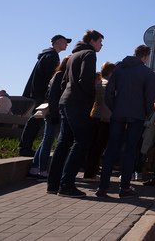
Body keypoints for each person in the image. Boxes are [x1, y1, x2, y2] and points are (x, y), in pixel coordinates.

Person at [47, 30, 103, 198]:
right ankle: (66, 186)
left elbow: (65, 81)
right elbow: (85, 80)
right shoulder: (89, 54)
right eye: (100, 41)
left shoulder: (72, 56)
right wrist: (91, 98)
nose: (101, 45)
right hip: (78, 104)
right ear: (92, 41)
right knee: (82, 141)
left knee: (64, 143)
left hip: (65, 101)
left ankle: (53, 184)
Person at [96, 45, 155, 198]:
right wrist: (145, 112)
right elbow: (150, 98)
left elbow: (109, 93)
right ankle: (124, 188)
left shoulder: (118, 69)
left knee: (111, 149)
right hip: (137, 116)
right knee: (130, 151)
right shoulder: (148, 73)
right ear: (146, 56)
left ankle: (102, 188)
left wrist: (115, 108)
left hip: (118, 114)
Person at [19, 34, 71, 156]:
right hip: (43, 94)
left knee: (36, 119)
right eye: (65, 41)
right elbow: (49, 78)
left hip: (40, 93)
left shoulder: (49, 55)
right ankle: (24, 147)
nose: (67, 44)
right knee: (35, 120)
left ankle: (25, 146)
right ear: (57, 42)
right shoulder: (51, 56)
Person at [28, 56, 69, 179]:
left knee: (46, 140)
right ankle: (42, 170)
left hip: (53, 112)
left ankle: (35, 168)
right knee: (48, 141)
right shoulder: (61, 75)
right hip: (54, 113)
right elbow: (53, 96)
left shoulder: (57, 75)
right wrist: (55, 114)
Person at [84, 62, 116, 180]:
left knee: (94, 146)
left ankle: (90, 172)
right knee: (99, 147)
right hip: (105, 118)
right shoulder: (108, 85)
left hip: (95, 115)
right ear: (110, 72)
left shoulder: (99, 83)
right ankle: (91, 173)